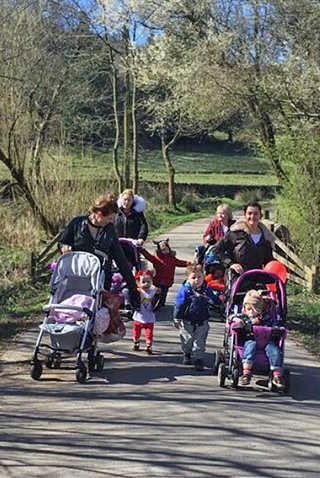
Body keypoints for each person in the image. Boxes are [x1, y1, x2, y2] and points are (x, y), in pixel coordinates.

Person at [58, 193, 140, 308]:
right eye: (109, 218)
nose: (111, 222)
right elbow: (63, 242)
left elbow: (120, 259)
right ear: (99, 214)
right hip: (76, 279)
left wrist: (133, 287)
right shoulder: (77, 224)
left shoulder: (109, 230)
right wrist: (64, 247)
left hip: (101, 281)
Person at [230, 289, 284, 389]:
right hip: (251, 339)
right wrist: (235, 320)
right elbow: (231, 317)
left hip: (267, 340)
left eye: (254, 309)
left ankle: (277, 375)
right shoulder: (243, 317)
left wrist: (276, 328)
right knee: (250, 347)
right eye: (248, 309)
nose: (251, 312)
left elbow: (274, 323)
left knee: (275, 351)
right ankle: (246, 372)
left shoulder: (265, 317)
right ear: (244, 308)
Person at [212, 201, 276, 276]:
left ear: (260, 216)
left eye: (255, 214)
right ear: (245, 216)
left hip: (257, 276)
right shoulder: (235, 233)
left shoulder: (266, 238)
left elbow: (268, 261)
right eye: (249, 213)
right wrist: (230, 264)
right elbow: (216, 250)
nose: (252, 216)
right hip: (238, 276)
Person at [173, 264, 215, 371]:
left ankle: (198, 359)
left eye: (199, 277)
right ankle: (187, 353)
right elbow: (179, 304)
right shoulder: (185, 291)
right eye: (193, 277)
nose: (197, 280)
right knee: (187, 340)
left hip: (202, 321)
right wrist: (176, 318)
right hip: (188, 321)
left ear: (203, 277)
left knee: (200, 341)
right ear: (187, 278)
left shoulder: (206, 290)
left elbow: (214, 299)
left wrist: (218, 300)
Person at [140, 238, 192, 309]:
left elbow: (179, 262)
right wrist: (142, 250)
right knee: (157, 293)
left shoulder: (172, 258)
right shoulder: (157, 258)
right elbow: (149, 257)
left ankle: (161, 303)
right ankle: (153, 305)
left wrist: (188, 263)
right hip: (158, 279)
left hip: (168, 280)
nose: (165, 251)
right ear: (160, 250)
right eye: (163, 250)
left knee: (164, 293)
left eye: (167, 249)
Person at [132, 270, 161, 355]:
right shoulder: (139, 292)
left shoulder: (153, 292)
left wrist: (156, 289)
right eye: (143, 282)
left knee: (149, 333)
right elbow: (133, 292)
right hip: (138, 317)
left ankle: (149, 346)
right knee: (136, 332)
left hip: (149, 317)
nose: (146, 284)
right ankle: (136, 342)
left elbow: (159, 292)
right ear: (139, 283)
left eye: (148, 282)